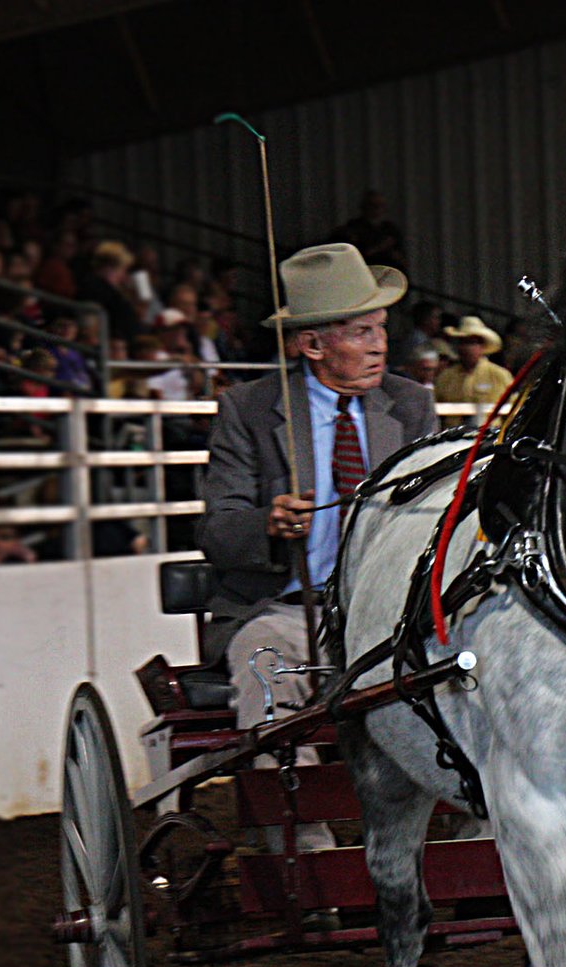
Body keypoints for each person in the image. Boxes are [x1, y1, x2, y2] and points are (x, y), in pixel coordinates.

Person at [198, 242, 435, 706]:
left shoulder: (411, 406)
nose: (380, 346)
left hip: (395, 612)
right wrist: (267, 523)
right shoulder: (248, 410)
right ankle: (284, 778)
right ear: (312, 345)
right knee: (266, 671)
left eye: (381, 329)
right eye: (362, 332)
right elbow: (217, 529)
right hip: (284, 614)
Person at [433, 315, 513, 408]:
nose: (467, 348)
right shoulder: (445, 377)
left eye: (472, 342)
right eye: (463, 342)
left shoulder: (500, 376)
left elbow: (513, 409)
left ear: (482, 346)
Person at [79, 241, 146, 343]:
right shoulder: (93, 288)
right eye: (122, 269)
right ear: (109, 267)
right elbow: (90, 322)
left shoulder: (112, 290)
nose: (124, 276)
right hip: (112, 347)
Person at [328, 190, 407, 274]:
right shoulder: (352, 228)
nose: (377, 209)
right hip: (363, 273)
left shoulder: (390, 229)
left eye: (380, 206)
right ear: (364, 207)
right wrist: (380, 247)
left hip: (388, 274)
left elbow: (401, 258)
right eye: (373, 205)